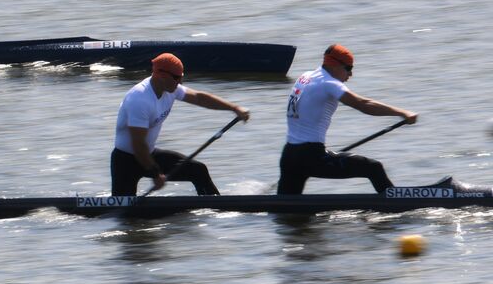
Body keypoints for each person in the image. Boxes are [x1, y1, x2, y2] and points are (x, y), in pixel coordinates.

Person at [278, 44, 417, 195]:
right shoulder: (329, 83)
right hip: (312, 157)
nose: (350, 75)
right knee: (373, 167)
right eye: (349, 68)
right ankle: (396, 203)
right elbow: (364, 104)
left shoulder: (305, 77)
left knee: (284, 209)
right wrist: (402, 113)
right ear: (336, 65)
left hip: (289, 156)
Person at [111, 53, 250, 196]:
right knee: (123, 213)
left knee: (198, 170)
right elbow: (138, 145)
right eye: (177, 78)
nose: (180, 82)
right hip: (126, 161)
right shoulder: (139, 99)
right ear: (160, 75)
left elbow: (199, 98)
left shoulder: (171, 88)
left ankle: (216, 209)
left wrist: (234, 108)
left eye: (181, 77)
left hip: (149, 153)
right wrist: (155, 173)